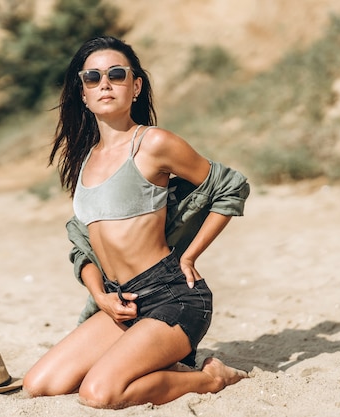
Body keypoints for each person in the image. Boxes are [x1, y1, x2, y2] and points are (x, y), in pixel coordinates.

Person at [23, 36, 250, 409]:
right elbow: (84, 246)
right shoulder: (84, 161)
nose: (105, 84)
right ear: (82, 93)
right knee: (40, 384)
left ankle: (209, 378)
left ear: (136, 85)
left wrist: (190, 256)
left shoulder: (153, 143)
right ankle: (157, 362)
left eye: (116, 74)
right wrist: (100, 297)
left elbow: (230, 186)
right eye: (92, 78)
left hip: (173, 297)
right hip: (121, 301)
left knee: (99, 393)